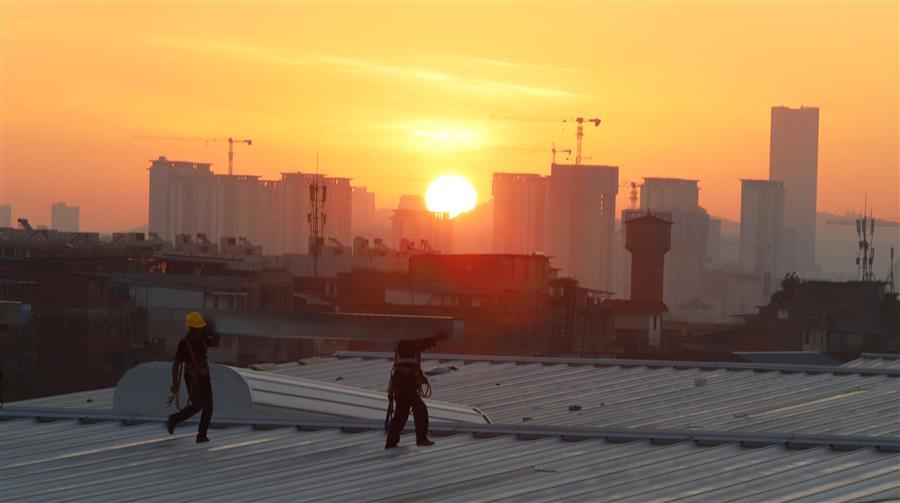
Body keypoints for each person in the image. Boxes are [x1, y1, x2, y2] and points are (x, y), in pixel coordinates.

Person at [384, 330, 450, 449]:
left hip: (403, 381)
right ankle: (421, 439)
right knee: (419, 409)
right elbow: (420, 344)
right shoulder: (406, 344)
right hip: (405, 382)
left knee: (401, 414)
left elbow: (411, 365)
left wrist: (421, 377)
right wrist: (434, 338)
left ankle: (391, 442)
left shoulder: (406, 348)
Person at [165, 311, 219, 443]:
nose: (201, 330)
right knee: (197, 406)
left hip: (204, 376)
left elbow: (216, 344)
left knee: (208, 407)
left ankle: (201, 435)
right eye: (198, 328)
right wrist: (174, 384)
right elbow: (176, 363)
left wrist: (216, 333)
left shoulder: (203, 339)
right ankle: (174, 419)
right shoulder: (184, 343)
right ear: (192, 328)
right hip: (192, 378)